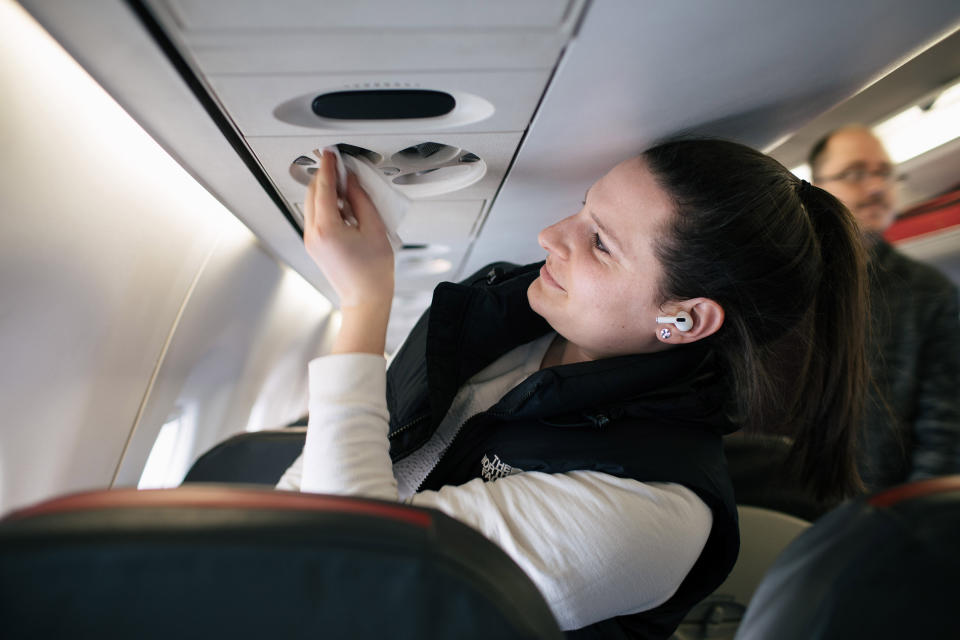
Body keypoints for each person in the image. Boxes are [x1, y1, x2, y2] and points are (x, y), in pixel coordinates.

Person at [278, 139, 869, 638]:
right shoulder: (493, 322)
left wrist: (362, 301)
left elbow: (352, 569)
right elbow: (308, 492)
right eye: (583, 211)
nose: (549, 235)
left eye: (601, 243)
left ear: (685, 318)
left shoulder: (649, 510)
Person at [809, 125, 960, 491]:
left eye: (884, 173)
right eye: (856, 174)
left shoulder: (930, 292)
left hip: (882, 516)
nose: (876, 187)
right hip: (781, 506)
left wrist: (913, 523)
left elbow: (945, 431)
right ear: (816, 190)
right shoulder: (783, 281)